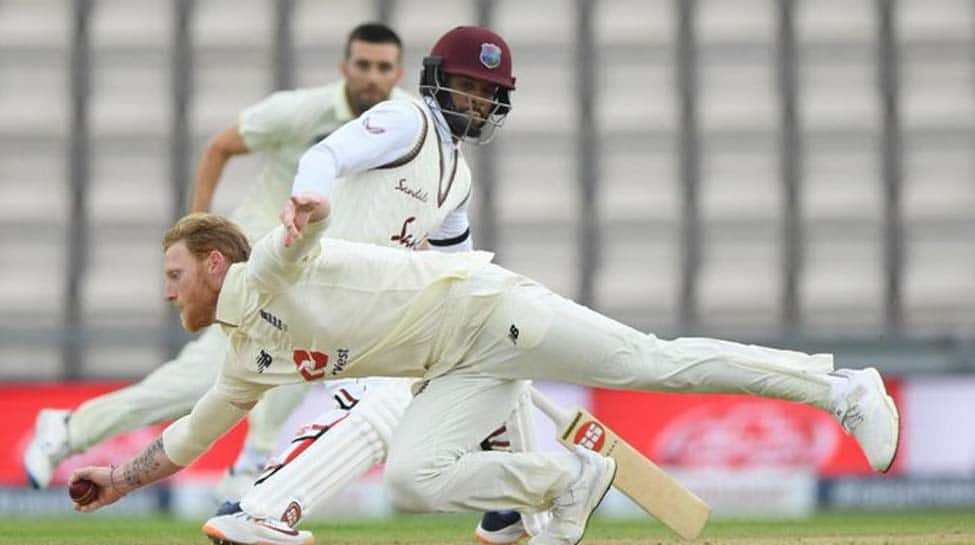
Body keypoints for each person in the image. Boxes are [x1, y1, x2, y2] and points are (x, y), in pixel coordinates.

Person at [70, 193, 900, 545]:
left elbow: (296, 242)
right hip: (455, 362)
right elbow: (186, 438)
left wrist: (310, 214)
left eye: (175, 272)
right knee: (411, 481)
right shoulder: (245, 351)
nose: (167, 289)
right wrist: (118, 479)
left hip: (493, 310)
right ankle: (565, 477)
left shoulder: (265, 274)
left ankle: (838, 386)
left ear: (215, 264)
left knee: (656, 364)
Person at [26, 23, 534, 544]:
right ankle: (80, 433)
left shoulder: (418, 129)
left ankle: (253, 497)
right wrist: (197, 234)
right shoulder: (307, 112)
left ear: (401, 73)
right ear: (345, 66)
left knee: (368, 376)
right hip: (260, 275)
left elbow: (431, 234)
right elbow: (224, 146)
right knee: (204, 386)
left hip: (321, 287)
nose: (374, 77)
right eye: (364, 65)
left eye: (384, 67)